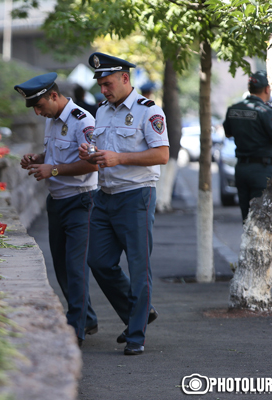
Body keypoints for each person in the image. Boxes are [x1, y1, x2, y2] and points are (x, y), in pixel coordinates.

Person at [79, 53, 169, 355]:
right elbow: (106, 150)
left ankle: (135, 336)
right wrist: (91, 154)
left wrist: (121, 158)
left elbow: (161, 155)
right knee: (98, 261)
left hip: (136, 196)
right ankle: (138, 313)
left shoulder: (149, 111)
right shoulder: (102, 112)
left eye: (108, 84)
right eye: (101, 85)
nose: (103, 90)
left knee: (139, 267)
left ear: (125, 79)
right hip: (105, 196)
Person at [14, 72, 99, 348]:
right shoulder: (52, 121)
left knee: (75, 267)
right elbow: (55, 155)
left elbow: (93, 164)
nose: (38, 112)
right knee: (61, 267)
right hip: (57, 201)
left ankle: (76, 328)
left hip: (80, 200)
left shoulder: (82, 121)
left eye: (39, 106)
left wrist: (52, 168)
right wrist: (37, 159)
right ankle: (86, 317)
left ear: (53, 95)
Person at [223, 71, 272, 222]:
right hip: (262, 171)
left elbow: (228, 134)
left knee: (246, 218)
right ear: (267, 89)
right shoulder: (266, 111)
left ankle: (247, 245)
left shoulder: (234, 109)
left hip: (241, 170)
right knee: (261, 219)